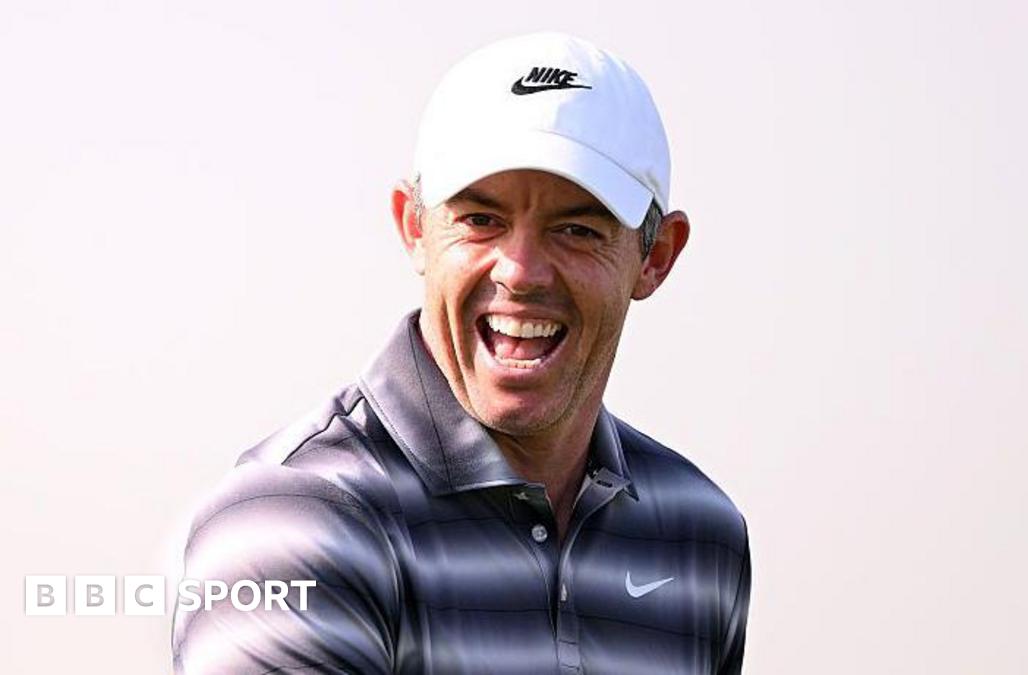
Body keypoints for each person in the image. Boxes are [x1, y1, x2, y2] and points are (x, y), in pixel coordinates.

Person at [171, 32, 750, 674]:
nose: (522, 271)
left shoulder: (700, 534)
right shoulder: (290, 523)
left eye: (577, 228)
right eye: (481, 220)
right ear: (415, 228)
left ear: (657, 257)